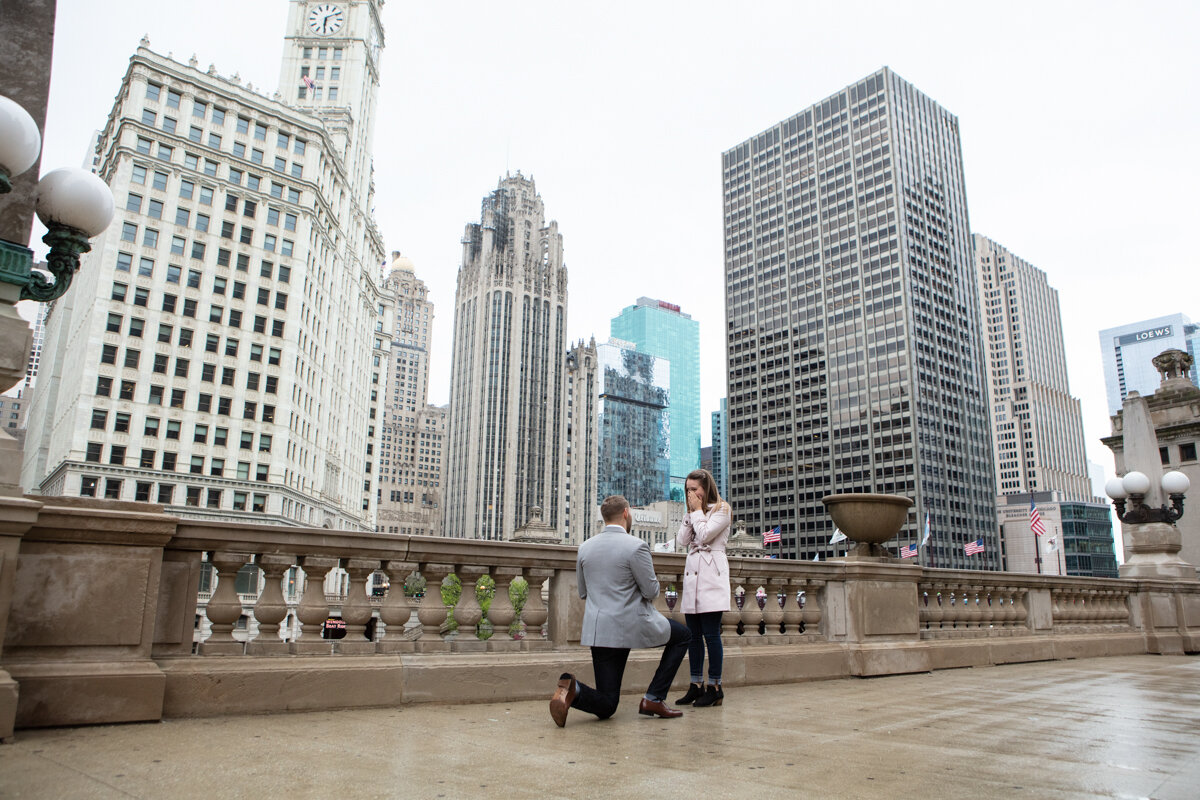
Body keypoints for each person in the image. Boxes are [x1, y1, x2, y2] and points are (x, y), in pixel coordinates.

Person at [549, 495, 692, 726]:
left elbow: (583, 592)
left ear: (604, 517)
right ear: (626, 513)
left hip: (599, 629)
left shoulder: (585, 548)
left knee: (607, 703)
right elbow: (651, 591)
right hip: (630, 624)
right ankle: (654, 698)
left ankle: (573, 690)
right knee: (683, 636)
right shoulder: (636, 546)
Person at [673, 469, 731, 708]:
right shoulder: (692, 512)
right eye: (687, 490)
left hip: (712, 577)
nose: (691, 494)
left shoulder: (722, 509)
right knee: (693, 637)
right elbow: (682, 540)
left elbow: (706, 535)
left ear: (706, 488)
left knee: (711, 635)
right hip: (693, 577)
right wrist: (690, 513)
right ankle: (695, 685)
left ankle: (715, 686)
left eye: (695, 489)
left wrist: (697, 511)